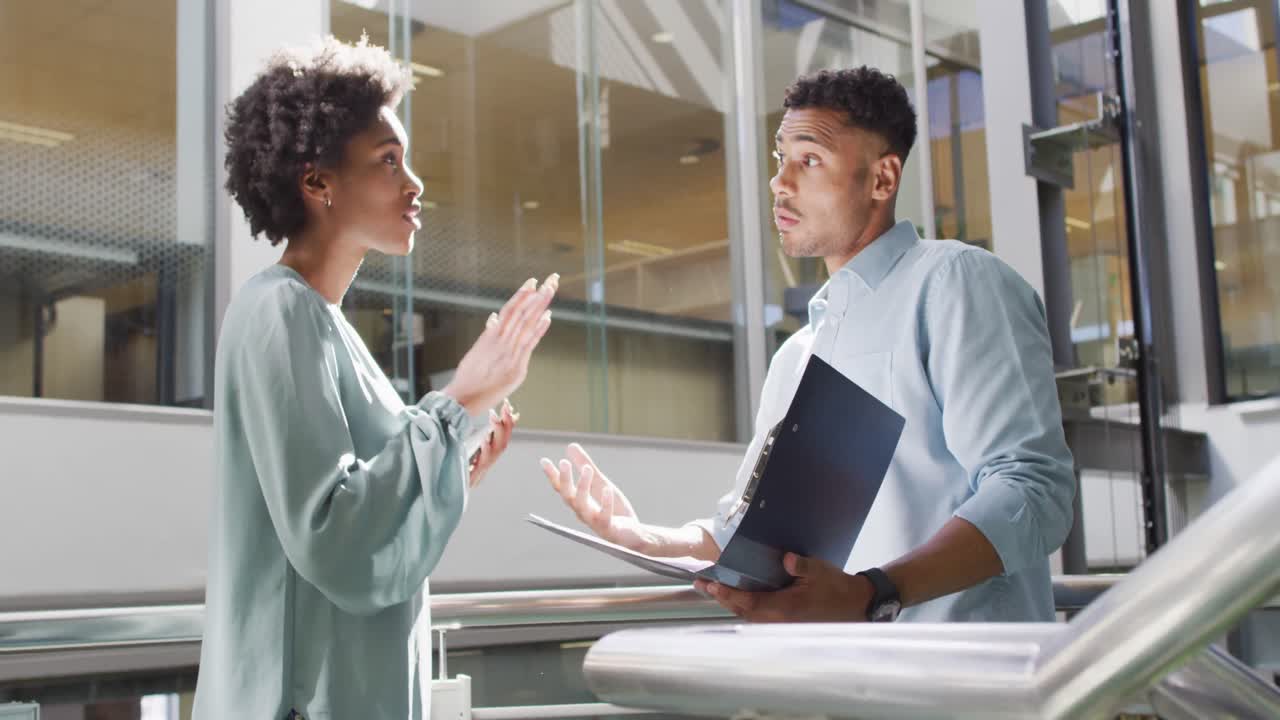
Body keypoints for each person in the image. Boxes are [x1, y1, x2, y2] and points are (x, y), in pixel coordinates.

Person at [541, 66, 1075, 624]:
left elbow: (1032, 488)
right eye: (780, 160)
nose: (780, 182)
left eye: (810, 159)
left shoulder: (955, 283)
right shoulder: (797, 354)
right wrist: (643, 536)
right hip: (836, 688)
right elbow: (745, 536)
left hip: (969, 690)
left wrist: (874, 592)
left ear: (882, 179)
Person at [193, 36, 558, 719]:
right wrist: (456, 404)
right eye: (388, 162)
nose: (414, 183)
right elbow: (334, 536)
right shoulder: (278, 311)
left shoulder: (327, 328)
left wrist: (450, 463)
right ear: (317, 182)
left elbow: (366, 510)